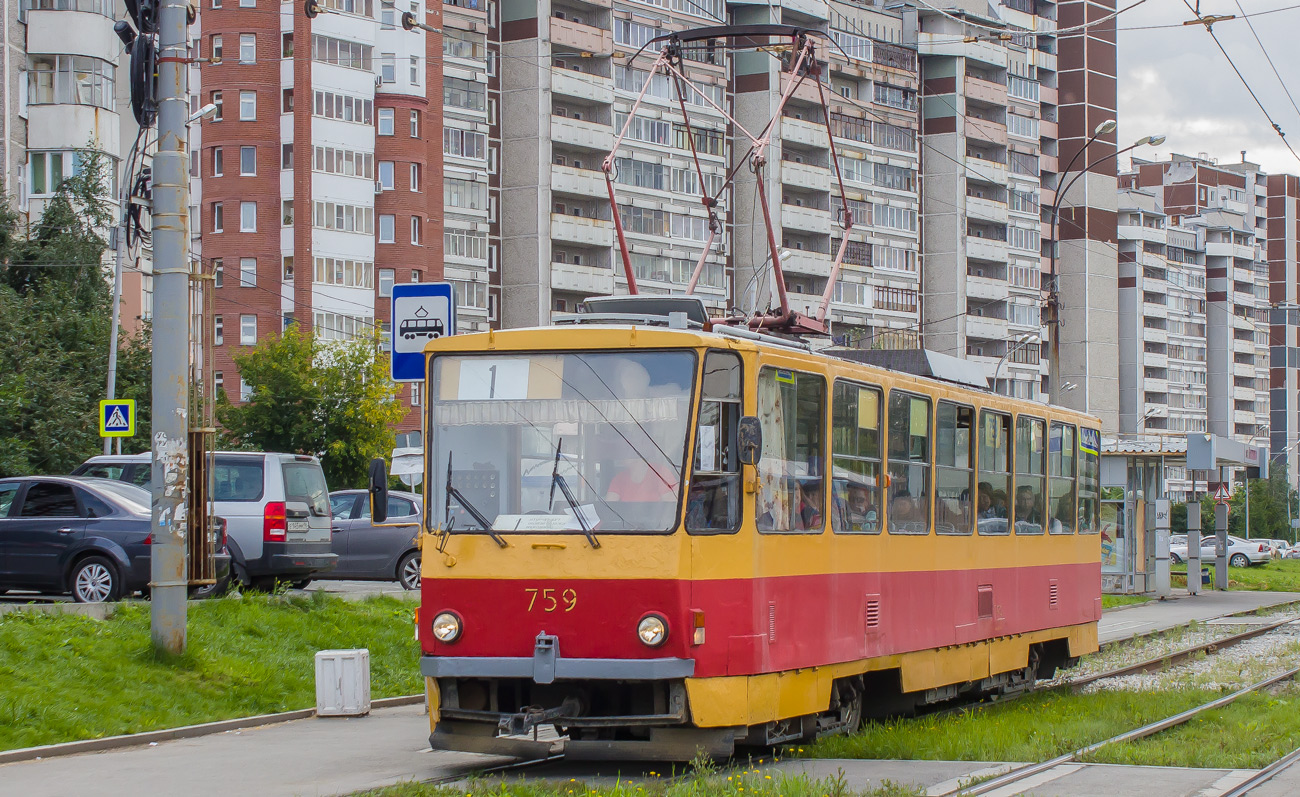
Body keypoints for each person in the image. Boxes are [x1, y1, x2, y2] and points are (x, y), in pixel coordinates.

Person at [606, 456, 678, 503]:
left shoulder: (660, 473)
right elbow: (609, 507)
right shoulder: (619, 478)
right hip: (628, 524)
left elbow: (671, 508)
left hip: (657, 525)